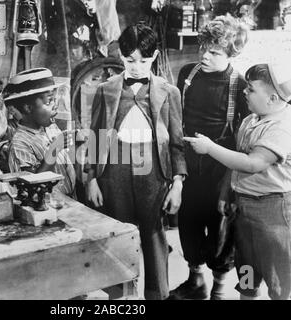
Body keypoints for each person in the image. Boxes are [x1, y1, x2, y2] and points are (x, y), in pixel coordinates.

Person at [85, 23, 187, 300]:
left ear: (154, 57)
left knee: (154, 234)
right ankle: (119, 296)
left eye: (144, 60)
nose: (137, 67)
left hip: (154, 170)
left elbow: (177, 142)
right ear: (121, 57)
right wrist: (92, 178)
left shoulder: (170, 92)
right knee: (118, 233)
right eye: (130, 60)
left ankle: (157, 294)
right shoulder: (105, 90)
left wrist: (177, 183)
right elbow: (95, 136)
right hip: (114, 169)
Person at [183, 63, 291, 300]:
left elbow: (251, 164)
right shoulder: (251, 120)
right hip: (244, 209)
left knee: (278, 280)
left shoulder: (282, 127)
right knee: (247, 273)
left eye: (251, 89)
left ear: (272, 98)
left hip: (273, 214)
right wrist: (225, 190)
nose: (244, 91)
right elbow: (236, 163)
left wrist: (210, 148)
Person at [169, 15, 249, 300]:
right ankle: (196, 281)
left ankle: (219, 287)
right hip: (189, 164)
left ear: (231, 54)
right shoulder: (187, 74)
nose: (204, 55)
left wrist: (229, 179)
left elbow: (244, 138)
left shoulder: (239, 84)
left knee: (220, 228)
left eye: (214, 52)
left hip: (220, 165)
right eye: (203, 47)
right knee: (188, 221)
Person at [5, 68, 76, 197]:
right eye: (49, 101)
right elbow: (31, 188)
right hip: (46, 207)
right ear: (28, 108)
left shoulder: (51, 127)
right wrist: (54, 149)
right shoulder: (20, 144)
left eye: (55, 100)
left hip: (68, 199)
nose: (55, 106)